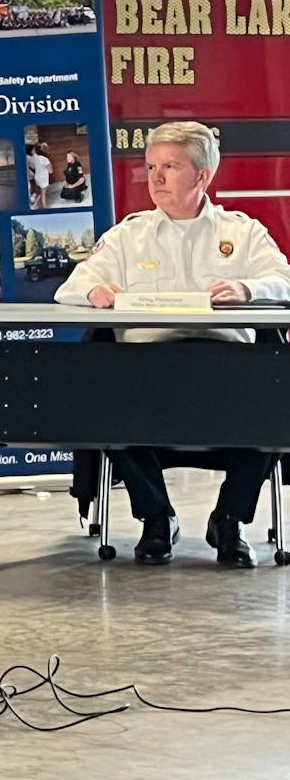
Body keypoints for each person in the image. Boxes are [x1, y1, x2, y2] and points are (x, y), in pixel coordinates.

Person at [55, 119, 290, 566]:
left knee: (278, 395)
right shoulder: (128, 235)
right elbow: (71, 286)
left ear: (203, 175)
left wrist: (247, 288)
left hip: (229, 373)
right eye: (151, 167)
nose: (156, 178)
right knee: (104, 393)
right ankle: (156, 519)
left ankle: (230, 520)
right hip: (145, 373)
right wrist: (94, 291)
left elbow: (284, 279)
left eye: (170, 167)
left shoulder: (242, 232)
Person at [28, 143, 52, 208]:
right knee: (43, 194)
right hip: (43, 178)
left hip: (37, 177)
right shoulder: (45, 159)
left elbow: (32, 167)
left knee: (39, 192)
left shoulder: (34, 158)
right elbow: (50, 171)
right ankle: (44, 207)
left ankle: (35, 204)